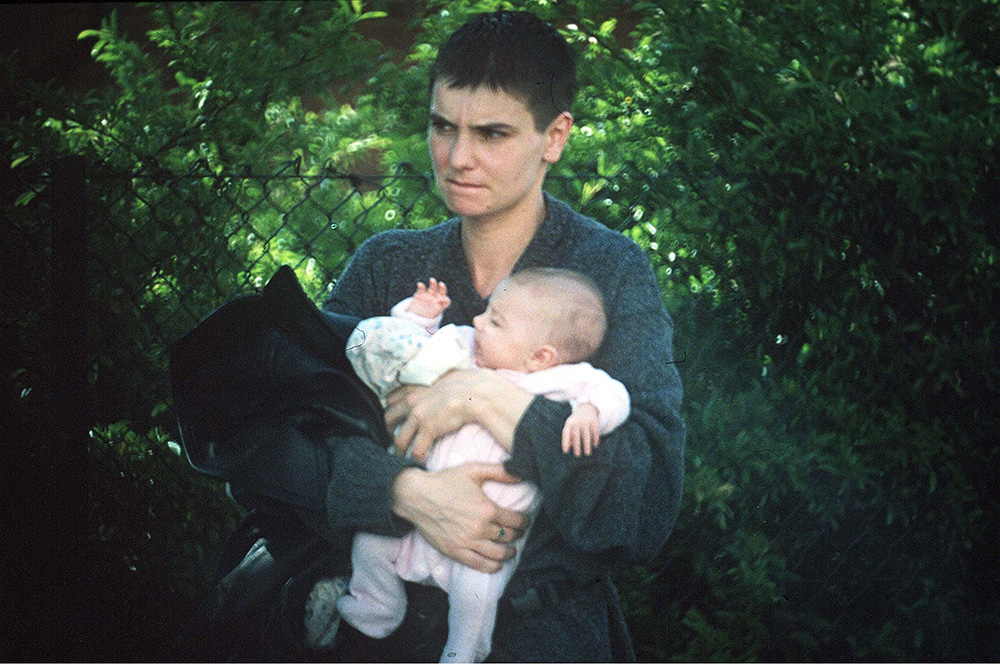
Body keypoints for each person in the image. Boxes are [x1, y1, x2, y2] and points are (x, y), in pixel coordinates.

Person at [321, 9, 685, 661]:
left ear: (555, 137)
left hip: (543, 636)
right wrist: (402, 494)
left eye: (492, 133)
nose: (459, 158)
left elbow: (648, 499)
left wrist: (486, 399)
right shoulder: (388, 268)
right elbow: (290, 433)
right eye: (443, 126)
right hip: (379, 635)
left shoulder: (608, 273)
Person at [337, 270, 630, 662]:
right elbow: (411, 350)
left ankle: (463, 652)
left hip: (488, 536)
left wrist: (590, 411)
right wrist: (420, 316)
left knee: (477, 596)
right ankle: (374, 608)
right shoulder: (466, 346)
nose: (477, 320)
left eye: (494, 320)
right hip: (414, 512)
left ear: (541, 356)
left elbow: (613, 393)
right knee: (370, 543)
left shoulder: (563, 379)